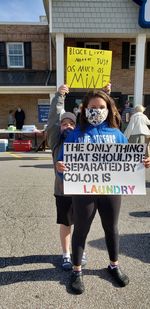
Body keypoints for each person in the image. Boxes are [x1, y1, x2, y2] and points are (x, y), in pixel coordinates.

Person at [56, 90, 150, 294]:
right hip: (84, 192)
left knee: (111, 228)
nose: (97, 111)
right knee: (80, 229)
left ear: (108, 110)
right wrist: (61, 168)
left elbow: (129, 163)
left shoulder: (117, 135)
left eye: (101, 107)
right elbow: (62, 164)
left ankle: (113, 265)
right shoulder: (75, 134)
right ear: (85, 110)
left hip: (111, 191)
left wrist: (141, 163)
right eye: (92, 108)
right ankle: (76, 270)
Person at [46, 84, 87, 270]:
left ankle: (80, 251)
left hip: (81, 191)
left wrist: (105, 94)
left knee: (80, 224)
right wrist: (59, 96)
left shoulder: (80, 138)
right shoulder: (55, 140)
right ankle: (66, 254)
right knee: (65, 223)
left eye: (71, 123)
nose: (67, 126)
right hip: (62, 191)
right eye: (64, 124)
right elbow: (53, 119)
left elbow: (94, 120)